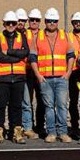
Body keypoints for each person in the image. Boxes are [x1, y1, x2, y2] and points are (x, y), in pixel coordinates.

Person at [29, 8, 74, 143]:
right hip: (45, 79)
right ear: (45, 21)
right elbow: (32, 58)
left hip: (61, 78)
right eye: (49, 21)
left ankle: (63, 132)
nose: (52, 23)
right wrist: (38, 75)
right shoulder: (38, 37)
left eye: (54, 21)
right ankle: (51, 132)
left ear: (58, 21)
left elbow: (71, 55)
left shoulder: (65, 36)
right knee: (49, 107)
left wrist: (68, 73)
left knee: (62, 105)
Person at [0, 11, 30, 144]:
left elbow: (25, 52)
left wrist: (9, 52)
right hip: (2, 78)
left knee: (16, 106)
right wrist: (16, 57)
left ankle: (17, 132)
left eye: (13, 23)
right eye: (8, 23)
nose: (11, 25)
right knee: (1, 106)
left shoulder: (22, 36)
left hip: (18, 77)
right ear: (4, 23)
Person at [21, 8, 41, 139]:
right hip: (27, 71)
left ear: (40, 21)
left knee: (42, 101)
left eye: (36, 20)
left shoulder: (44, 34)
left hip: (41, 72)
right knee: (27, 101)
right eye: (32, 20)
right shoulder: (23, 34)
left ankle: (40, 127)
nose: (34, 22)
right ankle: (27, 127)